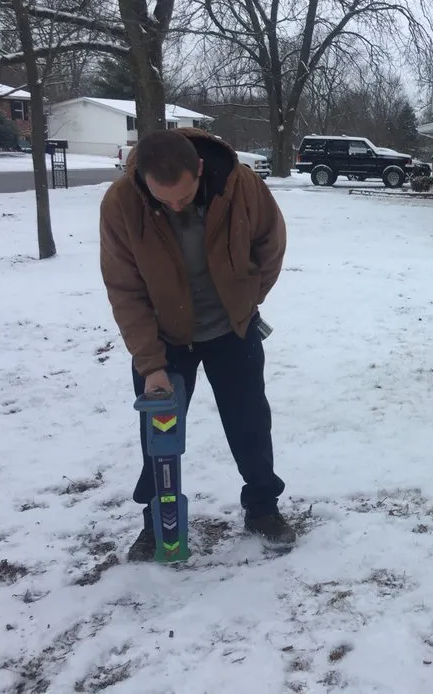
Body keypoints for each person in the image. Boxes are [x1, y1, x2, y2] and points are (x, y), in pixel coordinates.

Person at [99, 128, 293, 561]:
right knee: (158, 439)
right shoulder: (121, 203)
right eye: (163, 200)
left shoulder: (241, 185)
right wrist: (150, 365)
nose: (175, 207)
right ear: (142, 180)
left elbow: (270, 243)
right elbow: (123, 287)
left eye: (184, 198)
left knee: (250, 426)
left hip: (232, 331)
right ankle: (155, 524)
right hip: (164, 339)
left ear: (199, 170)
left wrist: (246, 301)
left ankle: (263, 507)